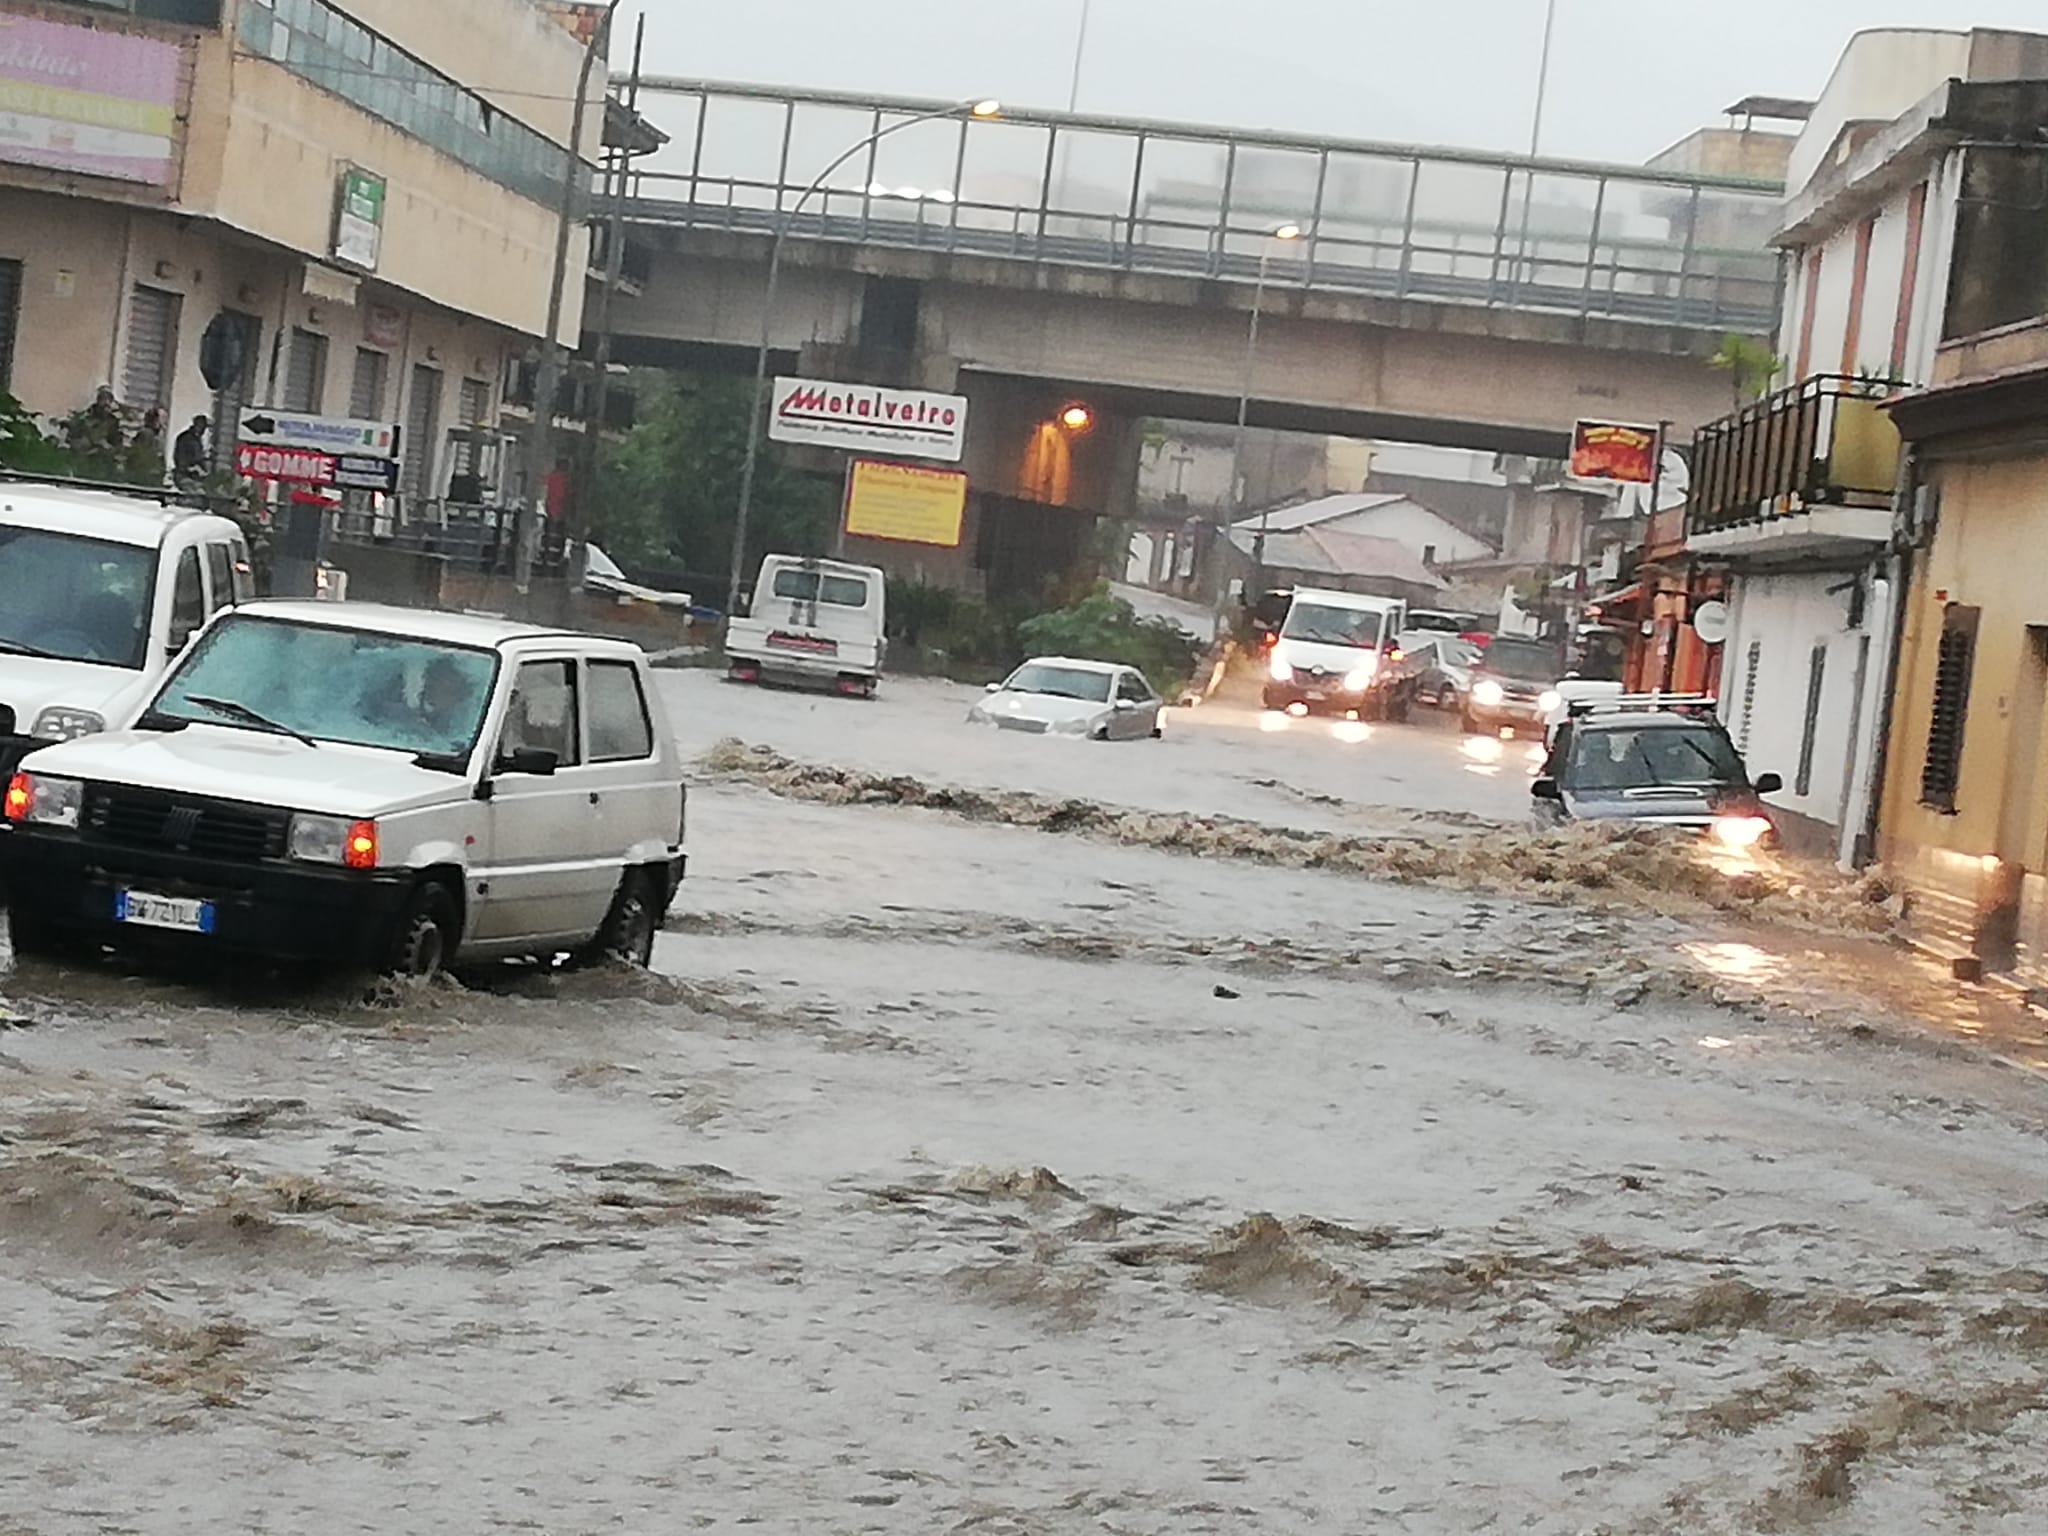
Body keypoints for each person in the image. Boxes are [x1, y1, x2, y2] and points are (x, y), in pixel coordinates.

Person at [173, 415, 210, 487]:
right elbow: (181, 458)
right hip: (185, 476)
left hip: (194, 477)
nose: (204, 430)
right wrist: (191, 468)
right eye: (203, 427)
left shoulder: (196, 439)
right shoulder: (186, 439)